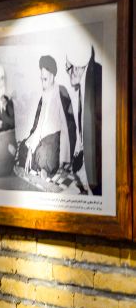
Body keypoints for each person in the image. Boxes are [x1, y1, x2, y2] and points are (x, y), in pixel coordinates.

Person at [17, 55, 76, 181]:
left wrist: (67, 155)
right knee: (23, 148)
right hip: (40, 137)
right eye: (41, 79)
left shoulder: (62, 92)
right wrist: (30, 147)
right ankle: (40, 167)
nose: (43, 83)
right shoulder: (43, 97)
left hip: (55, 139)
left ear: (53, 76)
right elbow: (37, 125)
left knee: (45, 154)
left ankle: (43, 167)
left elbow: (70, 124)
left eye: (45, 79)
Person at [66, 45, 102, 196]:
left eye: (68, 68)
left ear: (76, 68)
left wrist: (88, 172)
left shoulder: (95, 81)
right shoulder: (86, 81)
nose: (68, 73)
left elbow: (96, 134)